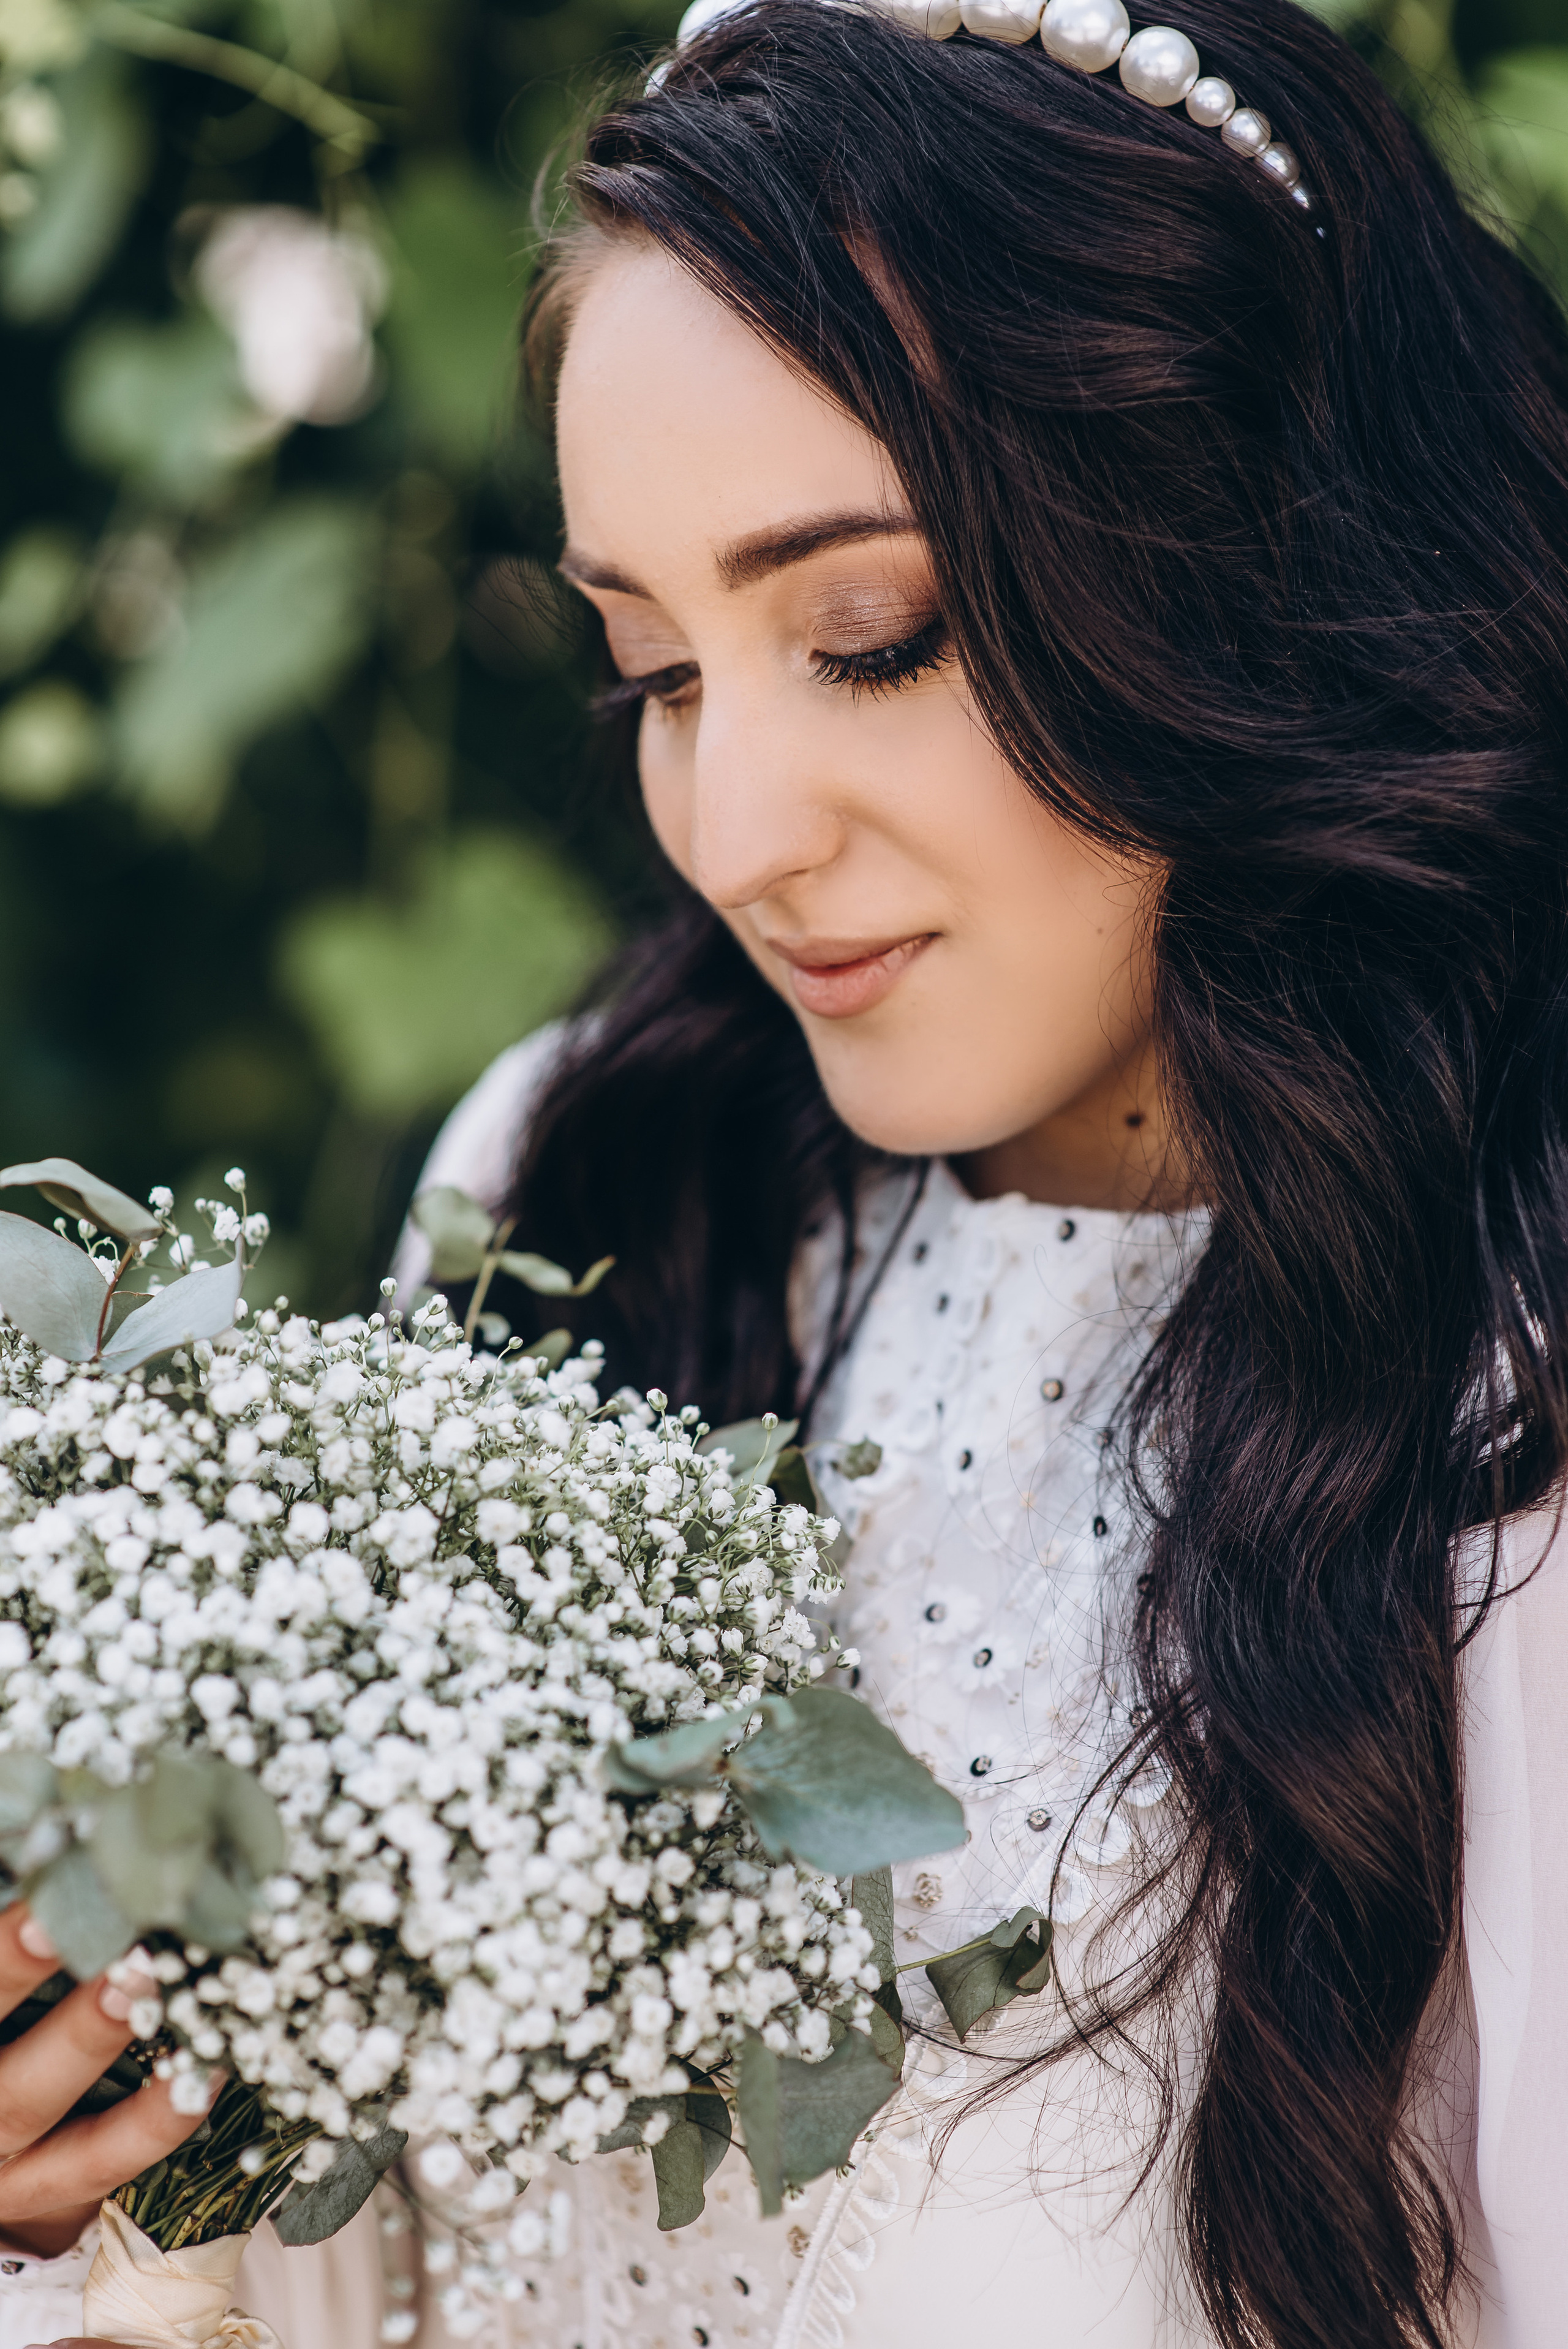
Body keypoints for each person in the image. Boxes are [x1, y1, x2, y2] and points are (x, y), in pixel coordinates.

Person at [7, 0, 1568, 2342]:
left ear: (1253, 547)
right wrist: (103, 2162)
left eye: (871, 633)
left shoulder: (1504, 1418)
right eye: (651, 669)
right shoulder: (579, 1173)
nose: (733, 835)